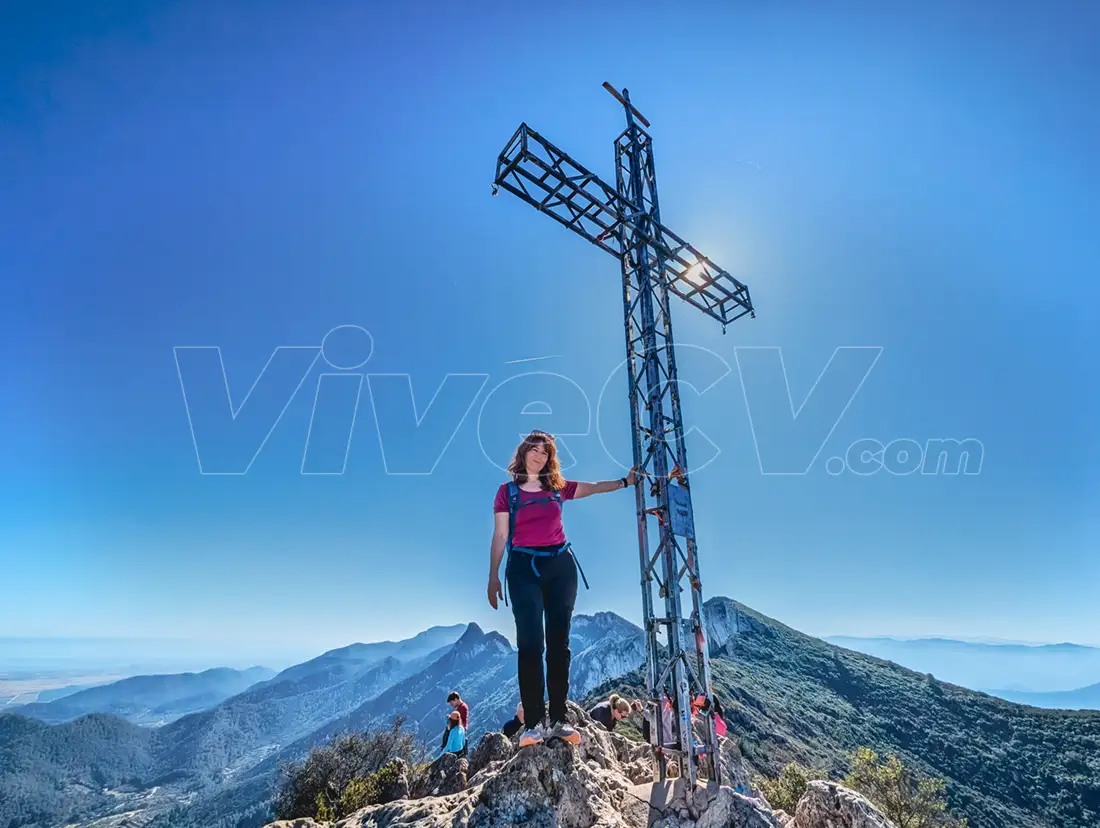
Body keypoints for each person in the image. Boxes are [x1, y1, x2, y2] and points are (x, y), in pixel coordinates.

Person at [487, 430, 635, 748]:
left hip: (560, 567)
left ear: (550, 459)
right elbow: (500, 535)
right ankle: (533, 725)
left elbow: (594, 488)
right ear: (524, 453)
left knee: (559, 644)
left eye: (546, 452)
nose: (540, 456)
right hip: (522, 568)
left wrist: (626, 482)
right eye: (535, 450)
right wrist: (493, 575)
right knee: (529, 645)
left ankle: (558, 719)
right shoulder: (507, 492)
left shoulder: (558, 488)